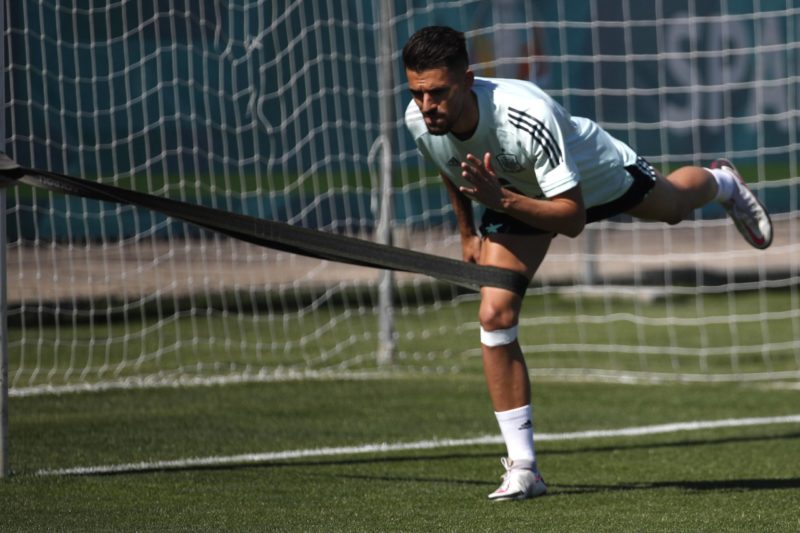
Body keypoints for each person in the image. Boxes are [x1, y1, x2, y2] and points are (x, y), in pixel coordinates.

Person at [402, 25, 773, 502]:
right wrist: (468, 233)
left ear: (468, 79)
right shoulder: (418, 119)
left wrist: (501, 200)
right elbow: (449, 162)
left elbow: (572, 219)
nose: (427, 106)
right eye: (418, 93)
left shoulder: (525, 114)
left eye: (437, 93)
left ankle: (723, 183)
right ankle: (524, 468)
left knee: (675, 207)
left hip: (591, 179)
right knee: (495, 314)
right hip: (512, 195)